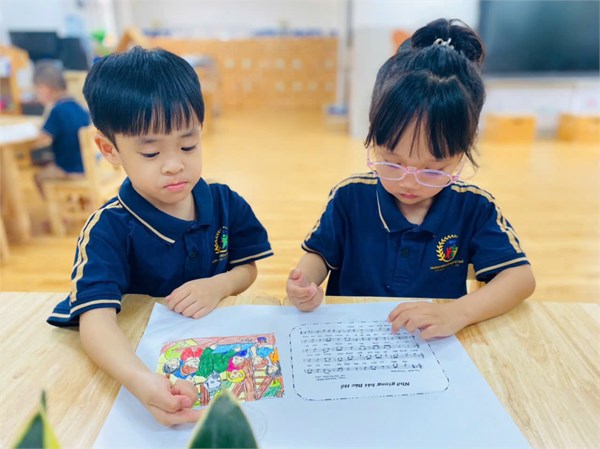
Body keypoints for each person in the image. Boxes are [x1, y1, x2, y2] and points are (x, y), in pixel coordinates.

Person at [47, 47, 273, 425]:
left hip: (212, 349)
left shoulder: (224, 202)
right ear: (109, 149)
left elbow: (246, 268)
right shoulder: (108, 228)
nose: (174, 165)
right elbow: (95, 320)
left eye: (188, 146)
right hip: (139, 358)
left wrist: (218, 286)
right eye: (151, 153)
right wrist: (141, 382)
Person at [286, 18, 535, 340]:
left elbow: (520, 279)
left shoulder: (474, 207)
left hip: (430, 343)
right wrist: (305, 282)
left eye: (433, 170)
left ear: (462, 153)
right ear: (373, 138)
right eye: (392, 163)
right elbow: (320, 254)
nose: (409, 182)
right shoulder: (350, 197)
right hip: (352, 337)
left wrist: (458, 312)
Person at [30, 60, 91, 196]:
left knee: (38, 177)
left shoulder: (56, 111)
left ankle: (55, 208)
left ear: (45, 89)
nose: (37, 96)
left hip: (68, 170)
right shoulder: (79, 107)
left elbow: (41, 140)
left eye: (37, 91)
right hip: (88, 167)